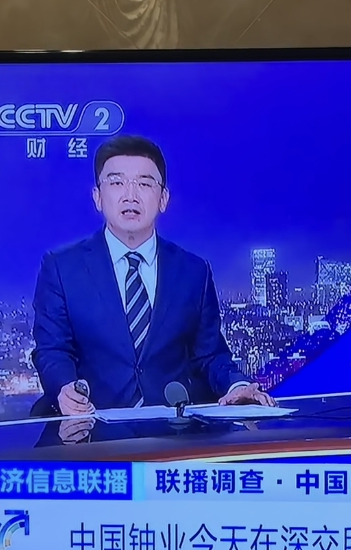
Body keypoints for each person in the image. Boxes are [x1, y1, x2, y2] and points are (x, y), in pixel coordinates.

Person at [31, 135, 274, 416]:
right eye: (117, 183)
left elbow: (210, 355)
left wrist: (237, 386)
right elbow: (53, 349)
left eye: (144, 184)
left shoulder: (193, 271)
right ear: (97, 197)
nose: (130, 195)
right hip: (93, 428)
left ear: (163, 199)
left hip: (175, 430)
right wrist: (65, 388)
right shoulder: (61, 268)